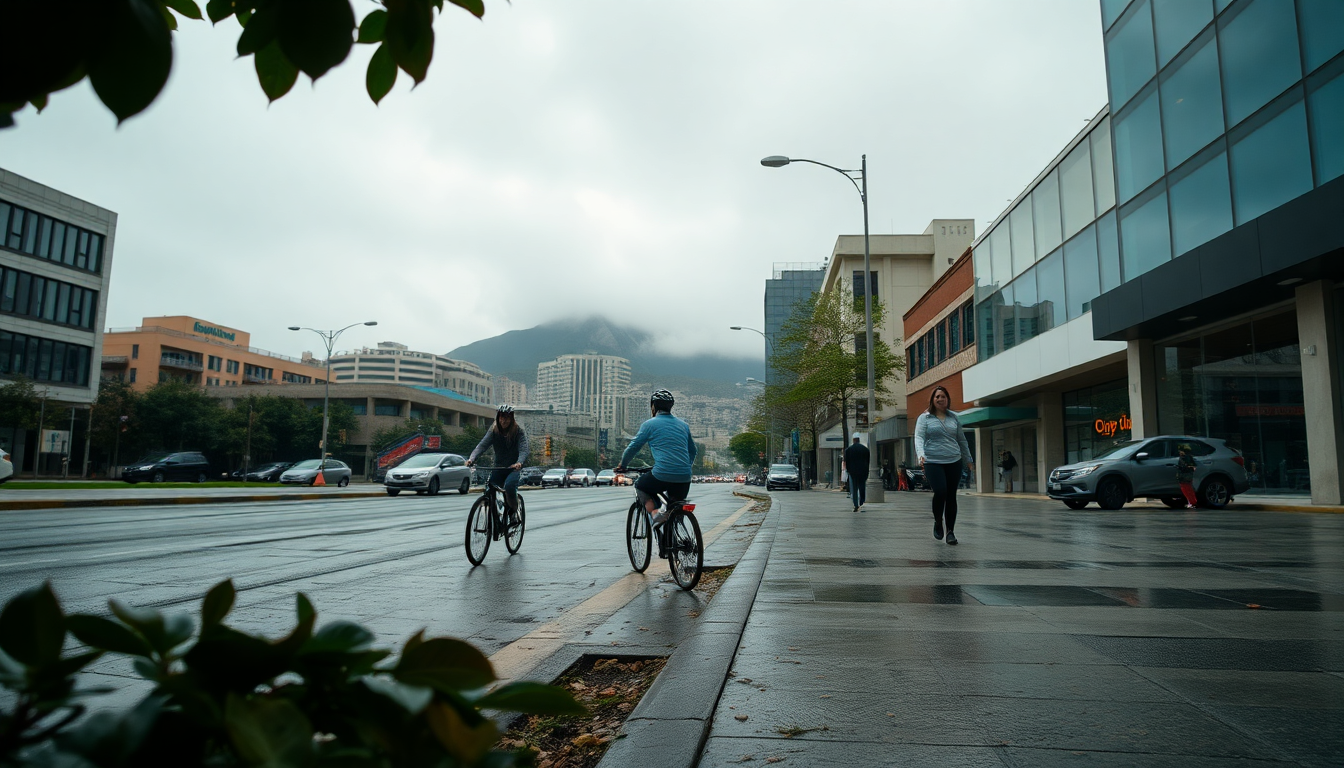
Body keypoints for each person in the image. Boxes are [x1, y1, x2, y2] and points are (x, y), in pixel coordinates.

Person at [618, 389, 696, 534]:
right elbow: (693, 451)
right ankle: (676, 540)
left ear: (653, 406)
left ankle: (654, 513)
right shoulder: (683, 425)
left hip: (662, 474)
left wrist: (623, 465)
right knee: (675, 508)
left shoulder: (650, 424)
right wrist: (684, 466)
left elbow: (633, 447)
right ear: (670, 406)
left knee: (641, 485)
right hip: (685, 476)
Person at [914, 385, 974, 545]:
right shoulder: (924, 418)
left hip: (953, 460)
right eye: (937, 397)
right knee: (940, 491)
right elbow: (918, 437)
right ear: (933, 400)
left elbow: (961, 440)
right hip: (932, 461)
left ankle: (950, 532)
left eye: (943, 396)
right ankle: (938, 521)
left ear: (948, 399)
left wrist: (968, 459)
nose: (940, 399)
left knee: (951, 496)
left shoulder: (954, 418)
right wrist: (921, 454)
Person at [466, 405, 529, 520]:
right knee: (490, 489)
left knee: (509, 487)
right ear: (498, 418)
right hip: (499, 467)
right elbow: (482, 446)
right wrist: (472, 458)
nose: (503, 420)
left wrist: (519, 462)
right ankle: (494, 515)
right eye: (501, 417)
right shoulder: (494, 431)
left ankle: (514, 513)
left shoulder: (518, 432)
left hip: (513, 468)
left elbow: (524, 449)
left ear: (511, 419)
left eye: (506, 418)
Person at [843, 435, 870, 512]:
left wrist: (848, 471)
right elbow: (868, 462)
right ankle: (861, 502)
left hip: (853, 472)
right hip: (863, 471)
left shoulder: (848, 450)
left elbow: (847, 462)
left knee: (854, 489)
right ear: (859, 440)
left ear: (853, 440)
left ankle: (855, 505)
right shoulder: (865, 450)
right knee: (862, 487)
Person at [1176, 443, 1198, 509]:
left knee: (1185, 488)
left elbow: (1184, 466)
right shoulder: (1189, 457)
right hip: (1188, 475)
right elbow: (1193, 466)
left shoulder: (1183, 458)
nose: (1179, 452)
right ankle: (1192, 501)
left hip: (1183, 475)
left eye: (1180, 451)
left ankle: (1191, 502)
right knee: (1189, 488)